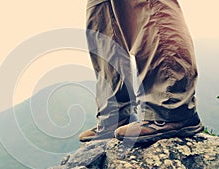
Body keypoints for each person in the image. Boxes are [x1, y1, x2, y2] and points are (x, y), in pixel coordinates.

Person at [79, 0, 204, 143]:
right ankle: (114, 116)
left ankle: (170, 108)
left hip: (171, 106)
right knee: (102, 16)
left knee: (148, 5)